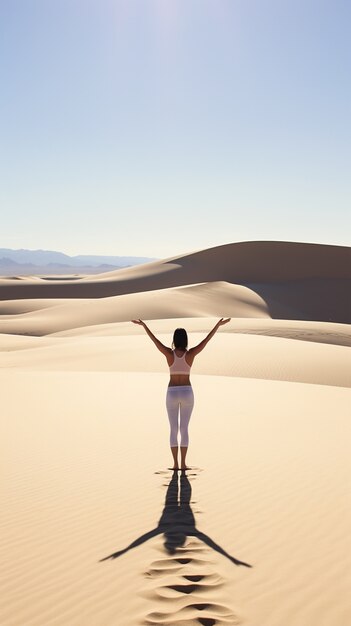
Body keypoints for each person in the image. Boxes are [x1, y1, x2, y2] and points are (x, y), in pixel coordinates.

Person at [131, 318, 231, 470]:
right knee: (184, 428)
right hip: (187, 392)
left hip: (172, 392)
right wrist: (217, 325)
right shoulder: (190, 354)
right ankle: (183, 464)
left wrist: (144, 325)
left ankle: (175, 464)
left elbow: (155, 340)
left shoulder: (168, 354)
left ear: (174, 340)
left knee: (173, 428)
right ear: (185, 340)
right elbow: (206, 340)